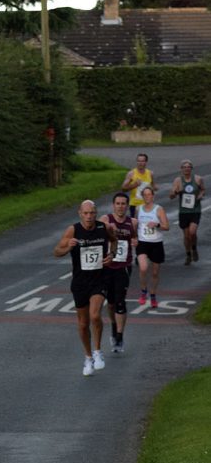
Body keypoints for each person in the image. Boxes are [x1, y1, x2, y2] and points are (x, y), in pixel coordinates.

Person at [54, 200, 114, 376]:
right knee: (82, 323)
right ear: (80, 213)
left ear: (96, 213)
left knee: (95, 315)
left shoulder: (104, 228)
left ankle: (97, 351)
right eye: (86, 213)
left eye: (92, 213)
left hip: (99, 279)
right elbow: (56, 251)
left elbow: (114, 240)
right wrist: (67, 247)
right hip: (80, 282)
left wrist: (111, 254)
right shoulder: (73, 230)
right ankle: (88, 357)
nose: (89, 217)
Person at [100, 191, 137, 355]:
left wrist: (135, 242)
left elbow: (135, 239)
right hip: (108, 266)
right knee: (111, 302)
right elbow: (97, 233)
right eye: (118, 203)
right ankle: (114, 326)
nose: (121, 206)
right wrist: (108, 229)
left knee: (120, 302)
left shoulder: (133, 222)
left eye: (123, 204)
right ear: (113, 205)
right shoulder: (106, 219)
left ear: (127, 206)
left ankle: (120, 336)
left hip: (124, 266)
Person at [135, 184, 169, 308]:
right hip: (142, 242)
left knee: (155, 272)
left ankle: (153, 294)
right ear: (143, 197)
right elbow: (135, 224)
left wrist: (157, 225)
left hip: (156, 243)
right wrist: (133, 237)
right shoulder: (139, 209)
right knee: (143, 268)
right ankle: (144, 291)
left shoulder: (158, 209)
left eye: (149, 194)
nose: (147, 197)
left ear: (153, 196)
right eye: (145, 195)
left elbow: (167, 226)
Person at [169, 158, 204, 264]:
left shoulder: (198, 179)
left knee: (192, 232)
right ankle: (188, 254)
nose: (187, 169)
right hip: (184, 211)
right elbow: (171, 196)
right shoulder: (178, 181)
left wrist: (200, 195)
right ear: (181, 169)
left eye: (189, 167)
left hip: (195, 210)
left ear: (192, 169)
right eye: (184, 167)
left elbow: (203, 189)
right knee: (186, 236)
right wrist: (176, 192)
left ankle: (194, 248)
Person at [121, 152, 157, 218]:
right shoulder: (131, 174)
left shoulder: (150, 173)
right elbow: (123, 188)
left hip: (147, 204)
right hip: (135, 204)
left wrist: (154, 189)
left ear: (146, 162)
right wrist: (134, 185)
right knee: (135, 225)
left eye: (142, 161)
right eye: (138, 161)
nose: (140, 163)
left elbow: (154, 186)